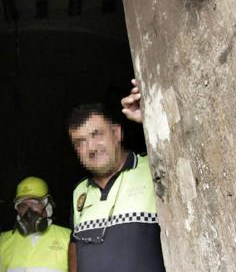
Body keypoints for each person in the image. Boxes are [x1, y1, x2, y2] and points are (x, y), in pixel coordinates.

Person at [66, 79, 165, 272]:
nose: (91, 148)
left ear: (117, 133)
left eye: (97, 134)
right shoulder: (79, 192)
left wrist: (151, 119)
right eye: (80, 142)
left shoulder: (152, 168)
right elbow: (75, 246)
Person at [0, 177, 71, 272]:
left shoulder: (68, 239)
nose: (29, 211)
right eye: (23, 205)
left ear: (47, 206)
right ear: (17, 211)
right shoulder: (3, 242)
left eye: (35, 203)